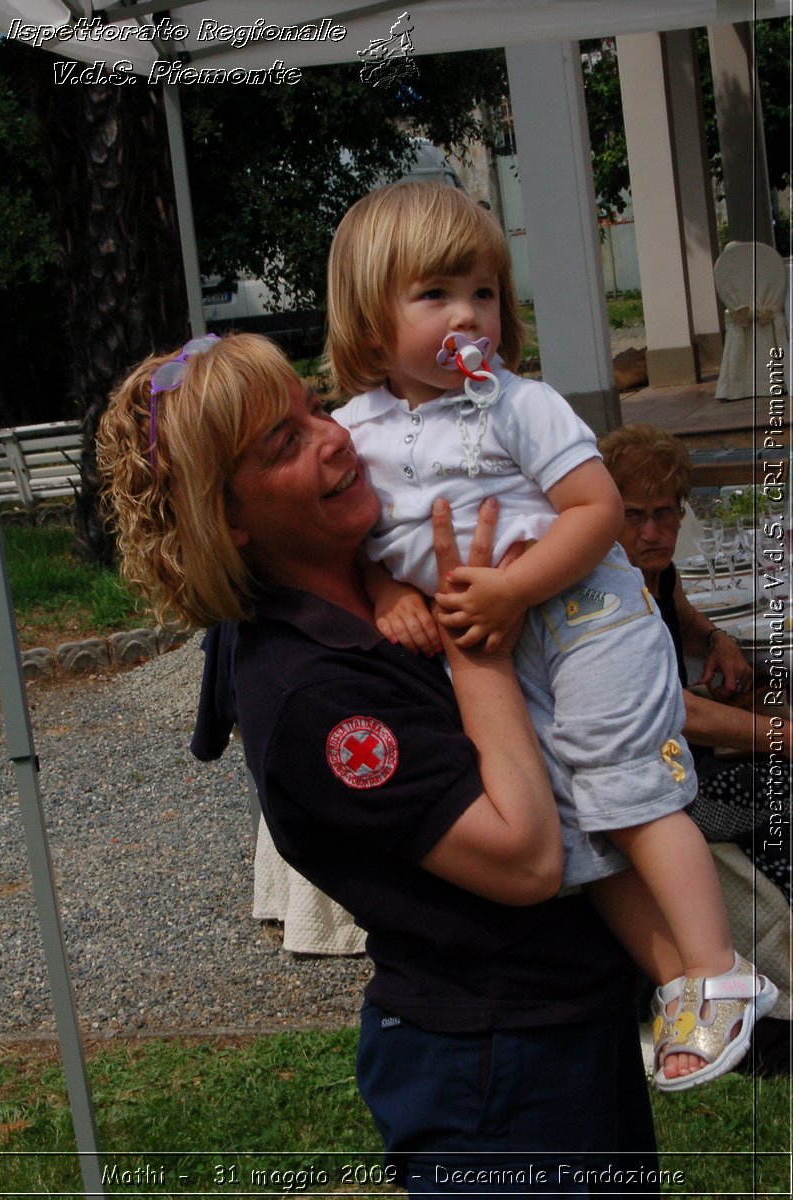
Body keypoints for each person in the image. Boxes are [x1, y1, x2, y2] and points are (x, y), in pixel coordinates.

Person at [97, 330, 661, 1195]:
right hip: (495, 1067)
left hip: (568, 1021)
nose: (332, 437)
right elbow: (523, 859)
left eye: (312, 406)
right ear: (230, 519)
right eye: (282, 444)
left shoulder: (376, 579)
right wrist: (480, 646)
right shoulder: (310, 693)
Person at [325, 180, 778, 1091]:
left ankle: (721, 966)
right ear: (371, 330)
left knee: (631, 792)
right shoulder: (354, 433)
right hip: (508, 648)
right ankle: (676, 984)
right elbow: (365, 537)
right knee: (574, 835)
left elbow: (594, 509)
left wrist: (510, 590)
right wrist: (384, 593)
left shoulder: (515, 404)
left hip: (584, 618)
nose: (470, 314)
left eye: (485, 291)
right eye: (437, 295)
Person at [599, 422, 791, 1074]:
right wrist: (779, 736)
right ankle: (758, 991)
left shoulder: (651, 573)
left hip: (678, 760)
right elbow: (670, 709)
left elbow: (679, 604)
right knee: (776, 810)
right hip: (646, 783)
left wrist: (717, 640)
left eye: (664, 514)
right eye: (632, 516)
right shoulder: (602, 592)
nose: (651, 531)